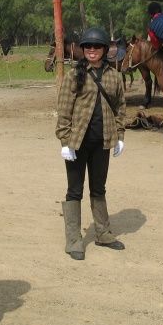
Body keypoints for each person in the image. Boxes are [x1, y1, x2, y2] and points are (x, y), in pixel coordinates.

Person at [56, 27, 127, 261]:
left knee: (99, 188)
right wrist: (65, 141)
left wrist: (120, 136)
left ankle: (103, 233)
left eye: (96, 46)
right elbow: (64, 110)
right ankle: (74, 239)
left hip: (102, 142)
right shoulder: (74, 75)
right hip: (77, 143)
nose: (92, 50)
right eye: (87, 46)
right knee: (74, 190)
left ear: (105, 49)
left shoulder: (114, 77)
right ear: (82, 49)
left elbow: (120, 108)